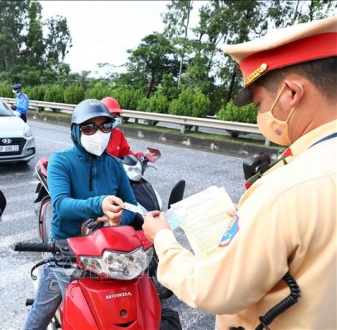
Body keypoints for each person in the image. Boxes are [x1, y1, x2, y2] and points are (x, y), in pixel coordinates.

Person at [143, 16, 336, 330]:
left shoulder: (285, 190)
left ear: (291, 94)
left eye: (260, 103)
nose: (261, 115)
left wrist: (162, 238)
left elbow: (210, 288)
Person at [24, 99, 138, 329]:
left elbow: (131, 206)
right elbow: (62, 205)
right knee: (57, 311)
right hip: (66, 249)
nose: (98, 133)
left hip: (105, 251)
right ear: (76, 131)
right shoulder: (61, 161)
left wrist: (118, 219)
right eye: (89, 127)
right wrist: (100, 203)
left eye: (105, 126)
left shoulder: (115, 165)